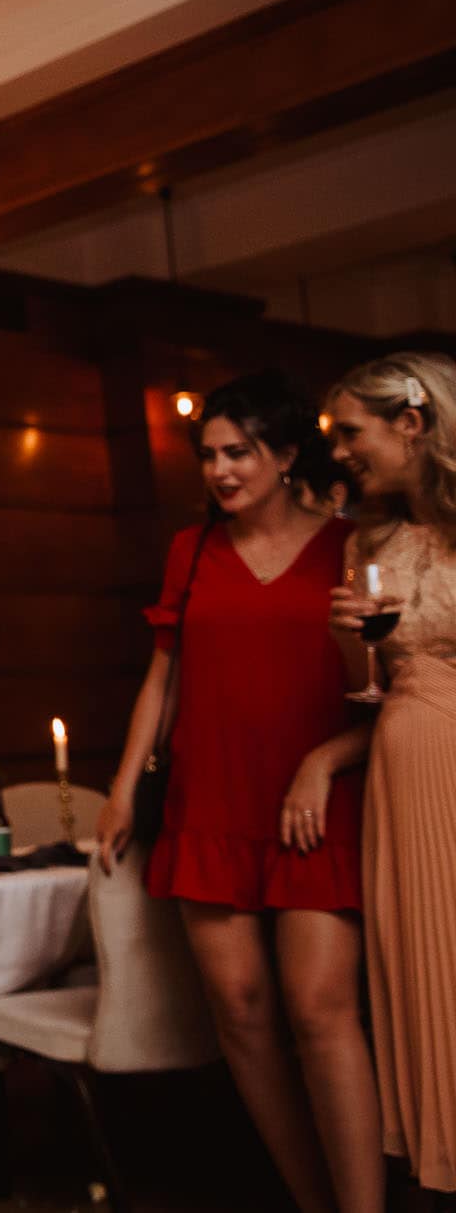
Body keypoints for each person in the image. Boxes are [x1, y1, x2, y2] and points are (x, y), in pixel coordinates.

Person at [97, 371, 379, 1213]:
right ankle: (312, 1202)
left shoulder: (350, 546)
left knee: (320, 1012)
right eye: (210, 455)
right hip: (210, 798)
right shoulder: (191, 551)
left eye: (239, 452)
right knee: (241, 1013)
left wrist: (327, 760)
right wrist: (119, 790)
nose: (220, 471)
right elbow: (164, 677)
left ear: (287, 454)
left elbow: (396, 692)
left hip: (316, 805)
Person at [326, 350, 456, 1199]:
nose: (338, 450)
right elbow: (364, 686)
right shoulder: (366, 542)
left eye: (350, 431)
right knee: (423, 975)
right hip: (405, 764)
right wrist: (350, 636)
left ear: (412, 423)